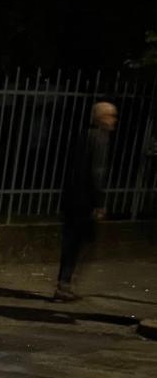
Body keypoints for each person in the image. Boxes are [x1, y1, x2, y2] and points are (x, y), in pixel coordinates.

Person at [55, 100, 118, 302]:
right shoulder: (100, 139)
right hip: (85, 201)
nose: (113, 120)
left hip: (72, 198)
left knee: (71, 242)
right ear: (101, 118)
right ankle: (66, 283)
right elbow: (96, 172)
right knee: (82, 243)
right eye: (111, 116)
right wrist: (99, 202)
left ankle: (64, 283)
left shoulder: (84, 135)